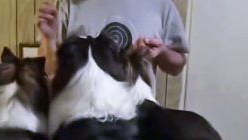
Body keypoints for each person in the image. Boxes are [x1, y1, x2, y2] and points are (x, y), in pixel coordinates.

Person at [37, 0, 189, 80]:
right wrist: (49, 39)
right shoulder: (70, 4)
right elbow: (50, 70)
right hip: (84, 123)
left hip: (138, 122)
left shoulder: (162, 5)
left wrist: (162, 52)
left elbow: (177, 66)